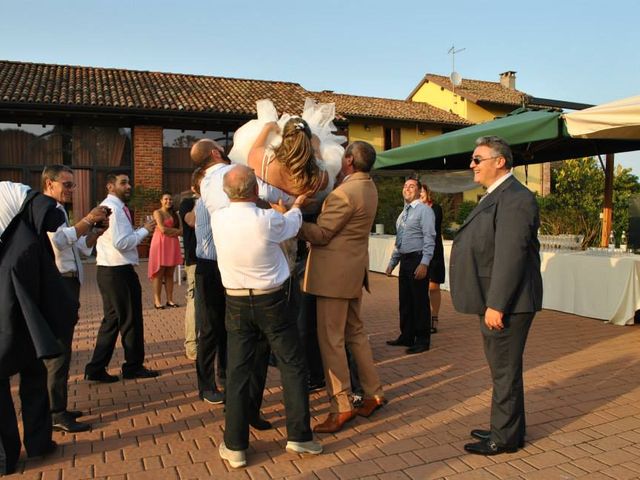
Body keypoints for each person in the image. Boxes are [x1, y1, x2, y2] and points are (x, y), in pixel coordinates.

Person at [212, 165, 321, 468]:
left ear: (226, 192)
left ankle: (235, 446)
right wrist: (297, 204)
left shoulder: (219, 218)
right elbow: (291, 225)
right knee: (292, 365)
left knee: (238, 371)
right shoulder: (267, 219)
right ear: (255, 191)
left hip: (235, 301)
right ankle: (299, 435)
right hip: (272, 300)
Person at [450, 136, 542, 456]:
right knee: (502, 369)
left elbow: (510, 256)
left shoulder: (516, 198)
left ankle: (503, 438)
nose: (471, 165)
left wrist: (496, 304)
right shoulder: (498, 194)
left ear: (499, 162)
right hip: (496, 298)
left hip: (507, 302)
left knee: (504, 370)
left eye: (477, 159)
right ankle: (506, 428)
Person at [190, 138, 293, 420]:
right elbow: (258, 194)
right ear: (215, 153)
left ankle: (226, 379)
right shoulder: (220, 186)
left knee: (229, 329)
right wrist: (291, 199)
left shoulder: (214, 187)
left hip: (225, 267)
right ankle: (208, 384)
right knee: (210, 329)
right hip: (211, 267)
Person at [300, 141, 386, 434]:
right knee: (355, 334)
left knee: (331, 340)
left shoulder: (344, 193)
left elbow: (322, 234)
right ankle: (374, 392)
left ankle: (341, 405)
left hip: (333, 277)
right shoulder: (368, 186)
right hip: (352, 272)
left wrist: (290, 217)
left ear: (348, 160)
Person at [0, 182, 77, 475]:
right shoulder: (25, 235)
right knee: (32, 377)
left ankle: (17, 450)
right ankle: (34, 444)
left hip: (14, 317)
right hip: (20, 319)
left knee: (28, 377)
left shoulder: (18, 227)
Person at [41, 165, 110, 433]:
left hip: (68, 282)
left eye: (73, 185)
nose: (71, 190)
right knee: (59, 349)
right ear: (49, 183)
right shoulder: (47, 209)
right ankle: (55, 412)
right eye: (66, 185)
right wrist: (88, 220)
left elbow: (79, 246)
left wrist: (95, 232)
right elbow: (58, 241)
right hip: (60, 283)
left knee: (64, 347)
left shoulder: (58, 210)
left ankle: (59, 407)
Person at [84, 172, 159, 383]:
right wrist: (145, 230)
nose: (129, 186)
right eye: (123, 183)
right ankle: (133, 367)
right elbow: (122, 243)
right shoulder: (115, 209)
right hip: (118, 271)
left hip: (110, 271)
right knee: (130, 320)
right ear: (110, 186)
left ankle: (96, 368)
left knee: (112, 320)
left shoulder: (114, 207)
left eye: (129, 182)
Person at [385, 178, 436, 354]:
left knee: (419, 301)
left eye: (412, 186)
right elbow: (399, 242)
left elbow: (430, 238)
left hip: (417, 259)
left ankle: (422, 340)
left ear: (419, 190)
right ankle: (406, 336)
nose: (407, 188)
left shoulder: (424, 211)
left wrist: (424, 263)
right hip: (405, 261)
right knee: (405, 301)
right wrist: (392, 263)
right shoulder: (402, 215)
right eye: (405, 186)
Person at [247, 118, 328, 196]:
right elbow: (320, 165)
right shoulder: (321, 178)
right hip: (300, 209)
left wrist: (267, 128)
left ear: (283, 138)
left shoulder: (264, 161)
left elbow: (253, 152)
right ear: (308, 142)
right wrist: (316, 148)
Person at [148, 191, 183, 309]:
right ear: (161, 201)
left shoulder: (176, 215)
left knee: (169, 274)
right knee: (159, 273)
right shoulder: (157, 212)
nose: (169, 201)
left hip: (172, 244)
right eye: (166, 199)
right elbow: (162, 229)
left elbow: (182, 230)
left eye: (170, 199)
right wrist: (175, 232)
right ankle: (157, 301)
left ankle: (170, 300)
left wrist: (172, 231)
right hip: (160, 244)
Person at [179, 173, 200, 360]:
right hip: (195, 262)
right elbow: (191, 221)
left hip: (216, 261)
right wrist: (202, 199)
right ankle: (192, 345)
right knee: (194, 302)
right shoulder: (187, 203)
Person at [420, 184, 445, 333]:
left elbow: (431, 227)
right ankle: (423, 318)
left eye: (422, 192)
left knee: (433, 287)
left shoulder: (435, 208)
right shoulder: (413, 208)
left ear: (428, 193)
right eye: (419, 192)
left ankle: (434, 317)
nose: (420, 194)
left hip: (434, 253)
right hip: (419, 252)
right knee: (421, 287)